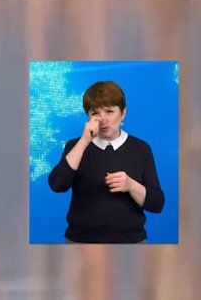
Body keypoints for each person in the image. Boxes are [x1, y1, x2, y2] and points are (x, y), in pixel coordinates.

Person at [48, 80, 165, 243]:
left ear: (123, 113)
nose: (103, 119)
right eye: (95, 113)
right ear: (88, 117)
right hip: (80, 241)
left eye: (110, 111)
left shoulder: (141, 149)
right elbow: (57, 185)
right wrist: (83, 142)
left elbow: (157, 204)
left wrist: (131, 185)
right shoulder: (75, 146)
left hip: (131, 242)